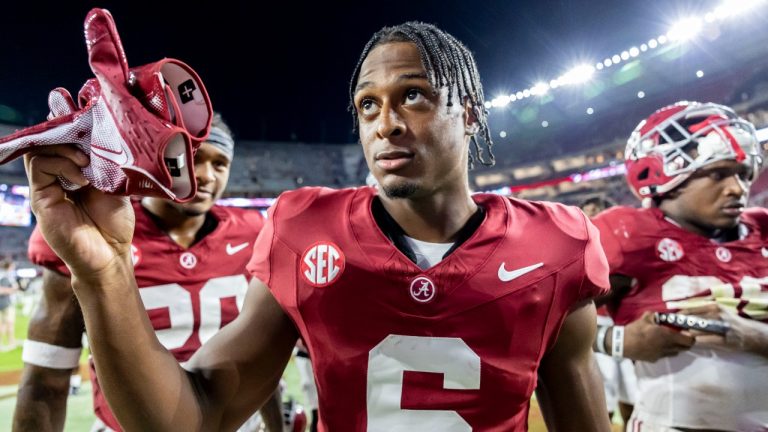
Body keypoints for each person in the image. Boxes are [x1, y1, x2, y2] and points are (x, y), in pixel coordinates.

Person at [24, 22, 613, 431]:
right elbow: (193, 418)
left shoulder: (558, 243)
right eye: (368, 105)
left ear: (472, 112)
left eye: (414, 96)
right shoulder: (304, 229)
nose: (387, 123)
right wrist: (103, 273)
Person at [13, 114, 284, 432]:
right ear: (160, 159)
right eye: (192, 159)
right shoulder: (96, 229)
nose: (206, 175)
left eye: (220, 164)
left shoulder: (255, 233)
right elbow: (46, 380)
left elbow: (261, 361)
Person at [592, 101, 768, 431]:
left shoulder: (762, 229)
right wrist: (617, 341)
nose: (738, 189)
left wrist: (746, 333)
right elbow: (539, 324)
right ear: (668, 175)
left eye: (744, 175)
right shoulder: (629, 234)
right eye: (718, 173)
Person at [578, 196, 638, 428]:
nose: (593, 215)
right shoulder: (578, 246)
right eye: (588, 210)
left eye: (597, 210)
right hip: (597, 325)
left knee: (631, 389)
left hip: (625, 323)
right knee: (606, 386)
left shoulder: (623, 244)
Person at [0, 259, 19, 350]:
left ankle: (8, 342)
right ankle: (11, 342)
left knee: (4, 324)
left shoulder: (4, 275)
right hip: (6, 303)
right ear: (9, 266)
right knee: (9, 323)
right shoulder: (5, 276)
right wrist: (13, 290)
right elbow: (1, 290)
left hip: (5, 302)